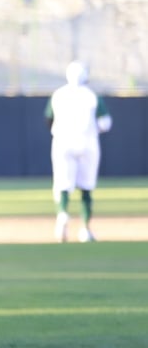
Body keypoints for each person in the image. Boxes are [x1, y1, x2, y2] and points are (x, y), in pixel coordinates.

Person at [45, 61, 112, 243]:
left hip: (62, 143)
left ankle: (63, 215)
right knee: (86, 186)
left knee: (63, 183)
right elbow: (105, 123)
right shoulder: (91, 96)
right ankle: (85, 229)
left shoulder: (58, 95)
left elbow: (49, 119)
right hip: (87, 143)